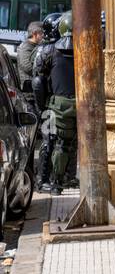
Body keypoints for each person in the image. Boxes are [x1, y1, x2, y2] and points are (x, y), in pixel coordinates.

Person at [34, 13, 77, 194]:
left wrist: (42, 106)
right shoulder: (85, 49)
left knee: (51, 143)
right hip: (77, 104)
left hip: (54, 106)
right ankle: (64, 178)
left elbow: (37, 81)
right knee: (69, 143)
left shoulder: (47, 50)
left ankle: (48, 181)